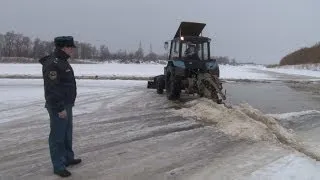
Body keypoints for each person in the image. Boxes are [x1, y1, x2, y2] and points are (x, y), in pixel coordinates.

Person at [39, 36, 81, 177]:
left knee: (67, 133)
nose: (73, 50)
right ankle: (58, 165)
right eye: (71, 47)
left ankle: (68, 158)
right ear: (64, 48)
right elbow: (52, 89)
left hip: (66, 104)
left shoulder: (62, 61)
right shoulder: (53, 63)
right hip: (59, 106)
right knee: (57, 136)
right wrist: (59, 108)